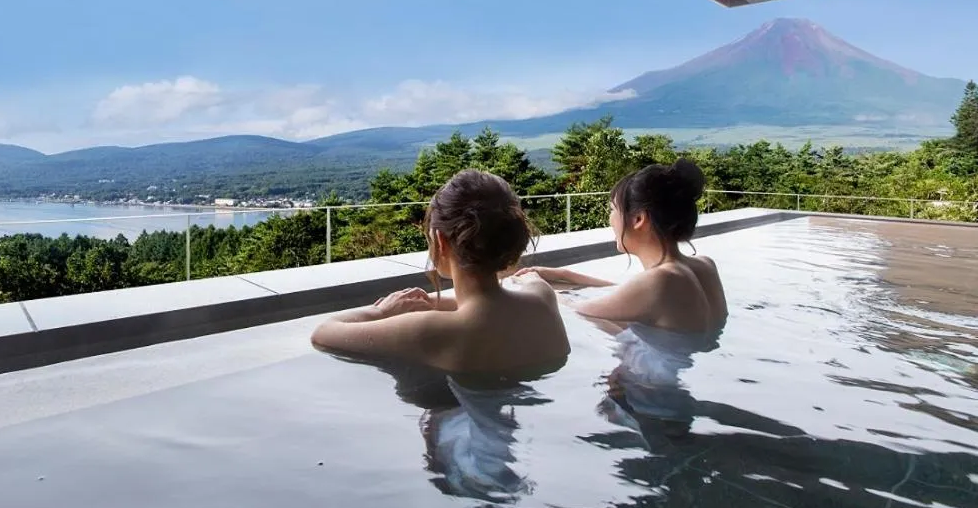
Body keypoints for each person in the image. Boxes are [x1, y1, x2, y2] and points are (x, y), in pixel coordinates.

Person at [311, 169, 569, 376]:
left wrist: (382, 311)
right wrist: (433, 302)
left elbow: (324, 333)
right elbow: (497, 302)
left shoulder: (427, 330)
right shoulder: (543, 297)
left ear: (440, 240)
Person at [517, 158, 726, 334]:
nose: (610, 219)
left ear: (638, 219)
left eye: (612, 210)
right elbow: (624, 293)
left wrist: (536, 284)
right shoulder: (704, 266)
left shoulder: (661, 281)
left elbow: (577, 310)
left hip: (653, 382)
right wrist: (565, 274)